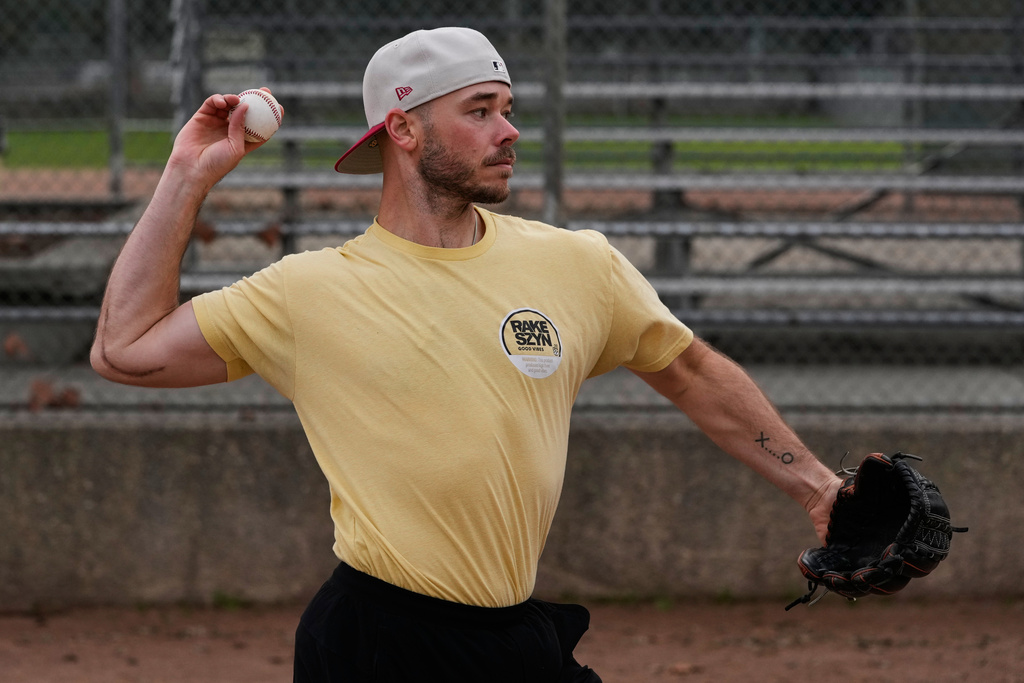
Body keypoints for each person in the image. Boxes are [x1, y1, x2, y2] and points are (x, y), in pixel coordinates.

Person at [91, 26, 841, 683]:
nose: (508, 130)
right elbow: (123, 349)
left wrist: (816, 488)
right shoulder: (310, 290)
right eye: (479, 110)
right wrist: (187, 176)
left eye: (507, 109)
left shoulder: (578, 264)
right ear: (405, 130)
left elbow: (691, 370)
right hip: (380, 640)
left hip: (515, 635)